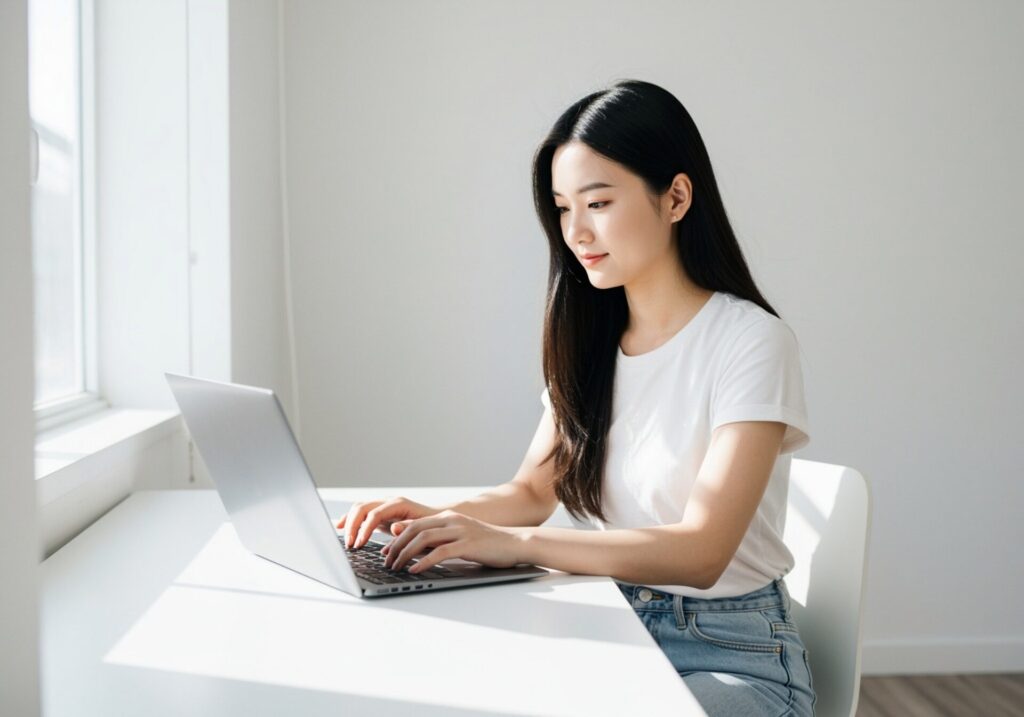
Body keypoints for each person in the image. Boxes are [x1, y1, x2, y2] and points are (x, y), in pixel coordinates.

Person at [338, 78, 816, 716]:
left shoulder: (751, 341)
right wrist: (433, 518)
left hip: (730, 653)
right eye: (563, 208)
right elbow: (533, 494)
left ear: (675, 198)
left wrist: (517, 546)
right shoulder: (591, 343)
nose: (577, 232)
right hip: (605, 627)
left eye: (598, 203)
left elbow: (702, 551)